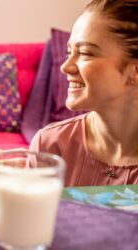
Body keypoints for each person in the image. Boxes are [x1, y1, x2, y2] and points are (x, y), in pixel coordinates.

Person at [30, 0, 138, 186]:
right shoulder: (50, 146)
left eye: (86, 53)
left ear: (134, 71)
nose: (65, 67)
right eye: (69, 52)